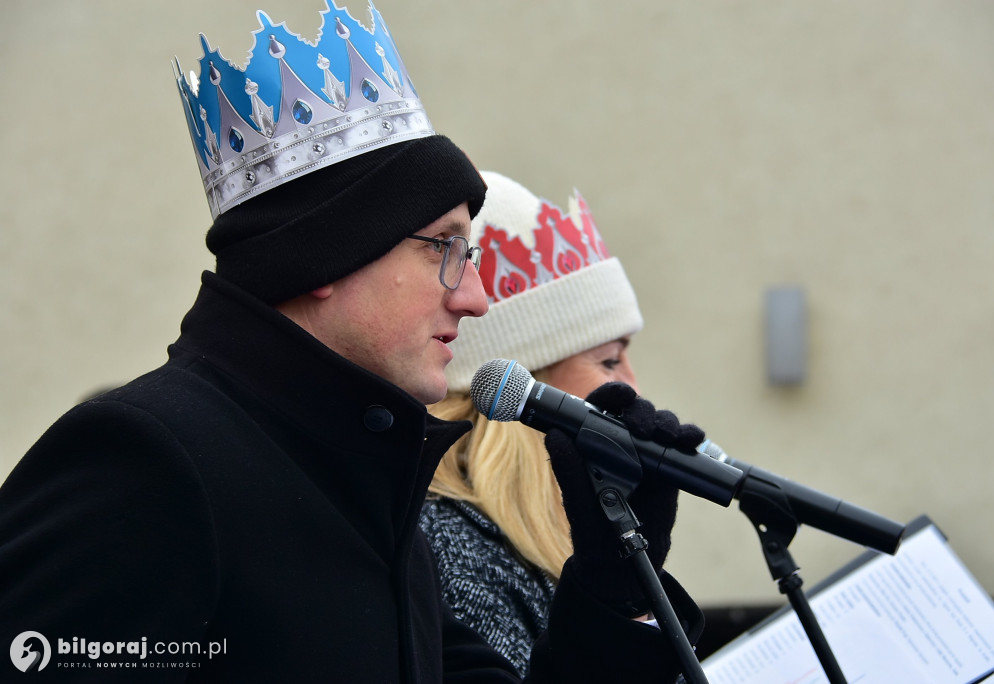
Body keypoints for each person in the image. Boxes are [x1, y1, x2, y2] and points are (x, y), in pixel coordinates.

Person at [0, 2, 704, 681]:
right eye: (445, 249)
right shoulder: (148, 462)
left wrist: (614, 590)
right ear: (328, 256)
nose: (475, 297)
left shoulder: (373, 493)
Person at [420, 171, 701, 676]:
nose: (634, 387)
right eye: (610, 361)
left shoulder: (543, 539)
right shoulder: (450, 548)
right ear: (524, 389)